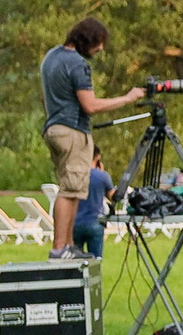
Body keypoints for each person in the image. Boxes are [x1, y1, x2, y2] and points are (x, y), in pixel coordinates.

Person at [40, 19, 147, 259]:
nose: (100, 50)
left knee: (72, 188)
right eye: (98, 44)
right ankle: (60, 248)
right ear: (86, 40)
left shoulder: (51, 57)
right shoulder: (78, 64)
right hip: (73, 131)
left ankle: (68, 245)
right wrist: (127, 98)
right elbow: (90, 105)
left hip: (54, 128)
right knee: (70, 190)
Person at [74, 166, 113, 260]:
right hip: (95, 221)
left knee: (75, 260)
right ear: (97, 157)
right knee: (96, 260)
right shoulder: (102, 176)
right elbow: (113, 196)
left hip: (76, 222)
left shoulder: (75, 175)